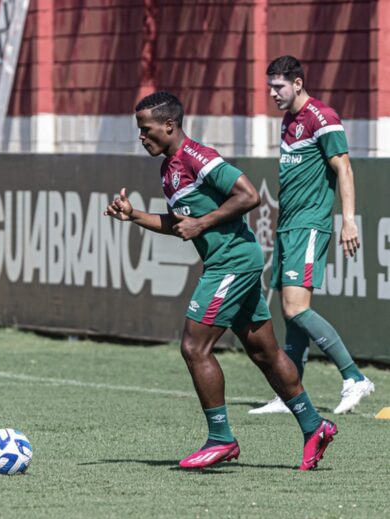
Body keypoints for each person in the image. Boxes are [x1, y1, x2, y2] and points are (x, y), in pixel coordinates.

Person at [104, 90, 337, 470]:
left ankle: (221, 438)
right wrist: (134, 216)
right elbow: (179, 224)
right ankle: (315, 426)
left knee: (195, 347)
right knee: (265, 352)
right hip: (230, 261)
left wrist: (203, 222)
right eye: (138, 130)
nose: (141, 137)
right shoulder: (169, 168)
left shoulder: (199, 157)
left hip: (231, 262)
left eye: (146, 130)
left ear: (169, 125)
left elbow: (248, 195)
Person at [249, 56, 374, 416]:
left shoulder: (323, 117)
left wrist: (348, 221)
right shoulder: (289, 121)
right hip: (288, 226)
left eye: (279, 86)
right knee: (290, 314)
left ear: (298, 83)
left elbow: (344, 168)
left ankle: (354, 377)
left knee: (295, 308)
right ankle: (292, 394)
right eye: (270, 86)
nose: (273, 93)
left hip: (310, 225)